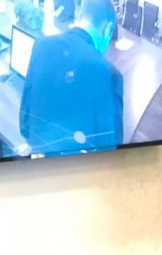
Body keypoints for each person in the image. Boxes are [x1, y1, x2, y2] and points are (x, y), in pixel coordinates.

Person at [19, 0, 123, 155]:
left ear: (78, 15)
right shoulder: (109, 74)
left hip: (40, 160)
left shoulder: (40, 45)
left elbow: (24, 125)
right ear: (107, 29)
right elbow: (111, 146)